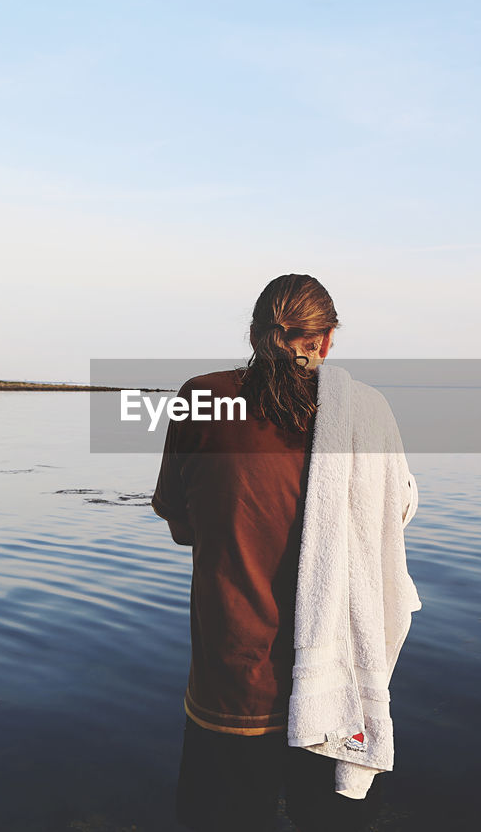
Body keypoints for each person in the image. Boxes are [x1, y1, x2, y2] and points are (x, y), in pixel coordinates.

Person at [152, 274, 404, 832]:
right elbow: (394, 513)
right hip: (336, 682)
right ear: (328, 339)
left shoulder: (202, 397)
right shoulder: (365, 413)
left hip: (233, 680)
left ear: (253, 332)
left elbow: (181, 526)